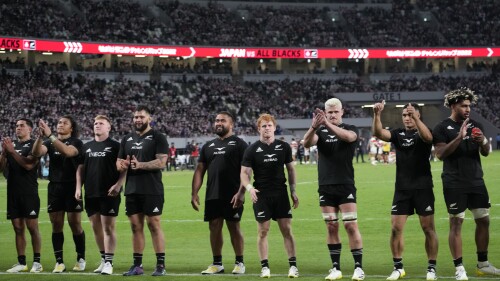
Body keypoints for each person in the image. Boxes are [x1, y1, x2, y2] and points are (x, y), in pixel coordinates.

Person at [433, 88, 500, 280]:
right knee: (456, 223)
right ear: (453, 106)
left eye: (469, 105)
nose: (468, 109)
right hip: (454, 182)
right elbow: (440, 154)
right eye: (464, 105)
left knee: (484, 220)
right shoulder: (442, 127)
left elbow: (486, 152)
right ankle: (459, 268)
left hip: (476, 180)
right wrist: (459, 137)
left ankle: (483, 264)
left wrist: (482, 142)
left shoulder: (476, 125)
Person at [372, 102, 439, 280]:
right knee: (395, 228)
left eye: (410, 114)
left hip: (423, 187)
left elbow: (428, 138)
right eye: (405, 115)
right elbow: (379, 133)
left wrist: (417, 119)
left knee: (428, 228)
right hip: (402, 189)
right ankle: (398, 267)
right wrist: (377, 115)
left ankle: (431, 268)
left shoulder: (424, 130)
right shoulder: (397, 133)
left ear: (418, 115)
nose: (407, 118)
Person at [303, 98, 365, 281]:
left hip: (345, 184)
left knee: (351, 225)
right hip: (325, 186)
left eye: (335, 112)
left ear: (342, 112)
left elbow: (348, 138)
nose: (332, 115)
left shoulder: (351, 128)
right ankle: (336, 268)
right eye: (329, 112)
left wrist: (326, 124)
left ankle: (358, 268)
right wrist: (314, 126)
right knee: (331, 226)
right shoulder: (320, 131)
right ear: (325, 112)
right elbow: (306, 143)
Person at [240, 113, 299, 278]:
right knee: (263, 231)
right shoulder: (251, 150)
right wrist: (250, 188)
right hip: (261, 195)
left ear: (274, 127)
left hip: (281, 193)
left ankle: (293, 266)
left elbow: (291, 169)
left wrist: (293, 190)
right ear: (259, 128)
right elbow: (244, 174)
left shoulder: (284, 147)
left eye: (269, 125)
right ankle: (265, 267)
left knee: (286, 229)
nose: (267, 128)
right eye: (264, 126)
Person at [191, 111, 248, 275]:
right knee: (214, 227)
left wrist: (241, 193)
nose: (218, 123)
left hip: (233, 194)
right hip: (212, 194)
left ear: (231, 124)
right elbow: (200, 170)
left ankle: (239, 262)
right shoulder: (208, 146)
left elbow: (246, 172)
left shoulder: (240, 144)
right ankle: (217, 263)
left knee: (234, 226)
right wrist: (194, 193)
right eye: (216, 121)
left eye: (222, 120)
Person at [116, 105, 169, 276]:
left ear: (149, 119)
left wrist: (141, 165)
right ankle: (137, 265)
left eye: (141, 117)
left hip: (152, 188)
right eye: (136, 117)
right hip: (132, 189)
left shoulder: (158, 137)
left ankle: (160, 265)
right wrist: (121, 165)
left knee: (154, 224)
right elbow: (119, 162)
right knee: (135, 226)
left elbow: (161, 162)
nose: (138, 120)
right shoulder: (126, 139)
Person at [31, 116, 86, 273]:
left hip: (72, 187)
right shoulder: (49, 142)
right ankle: (59, 262)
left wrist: (50, 136)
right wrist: (40, 138)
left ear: (72, 128)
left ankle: (80, 257)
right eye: (59, 123)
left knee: (75, 223)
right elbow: (36, 153)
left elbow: (68, 152)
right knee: (56, 224)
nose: (60, 125)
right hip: (55, 187)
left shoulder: (77, 142)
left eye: (64, 123)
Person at [75, 115, 126, 275]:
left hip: (109, 193)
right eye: (95, 123)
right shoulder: (86, 146)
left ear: (109, 128)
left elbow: (125, 168)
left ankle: (109, 263)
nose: (97, 125)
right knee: (96, 228)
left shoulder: (116, 146)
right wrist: (78, 187)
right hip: (90, 192)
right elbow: (80, 169)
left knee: (108, 228)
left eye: (101, 123)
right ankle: (104, 259)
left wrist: (118, 185)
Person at [0, 119, 43, 273]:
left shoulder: (34, 145)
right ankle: (21, 262)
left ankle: (37, 262)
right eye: (16, 125)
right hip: (13, 192)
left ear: (30, 129)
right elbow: (0, 168)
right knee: (17, 228)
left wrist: (11, 151)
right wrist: (4, 153)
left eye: (22, 126)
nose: (18, 128)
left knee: (32, 227)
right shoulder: (12, 146)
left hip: (28, 192)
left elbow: (28, 165)